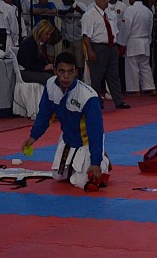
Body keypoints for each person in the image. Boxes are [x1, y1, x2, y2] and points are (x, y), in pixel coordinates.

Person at [21, 52, 110, 191]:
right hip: (68, 139)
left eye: (70, 72)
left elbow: (96, 131)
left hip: (87, 142)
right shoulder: (50, 85)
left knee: (81, 182)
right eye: (61, 71)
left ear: (76, 72)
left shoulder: (88, 97)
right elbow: (44, 114)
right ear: (55, 70)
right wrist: (33, 136)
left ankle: (104, 160)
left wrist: (96, 161)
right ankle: (85, 161)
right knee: (59, 176)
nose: (66, 76)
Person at [82, 0, 129, 110]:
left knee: (114, 75)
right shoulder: (89, 14)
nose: (106, 1)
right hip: (98, 47)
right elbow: (86, 36)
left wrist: (116, 46)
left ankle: (119, 101)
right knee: (97, 76)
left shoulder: (109, 13)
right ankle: (96, 101)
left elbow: (114, 30)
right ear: (97, 0)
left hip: (112, 46)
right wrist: (90, 51)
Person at [119, 0, 156, 95]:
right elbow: (150, 29)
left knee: (132, 67)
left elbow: (126, 27)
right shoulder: (147, 11)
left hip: (133, 41)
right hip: (144, 41)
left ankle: (135, 90)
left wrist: (122, 43)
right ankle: (150, 88)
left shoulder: (130, 10)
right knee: (145, 66)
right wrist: (148, 41)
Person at [58, 0, 87, 76]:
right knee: (68, 60)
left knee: (79, 61)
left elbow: (87, 15)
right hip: (67, 38)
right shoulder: (62, 7)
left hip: (79, 38)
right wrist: (69, 10)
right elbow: (60, 13)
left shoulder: (80, 5)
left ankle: (80, 77)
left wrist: (80, 11)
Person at [17, 20, 55, 84]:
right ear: (40, 31)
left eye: (49, 34)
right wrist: (44, 67)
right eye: (47, 34)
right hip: (25, 71)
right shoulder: (29, 43)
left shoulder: (38, 43)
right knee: (50, 78)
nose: (48, 37)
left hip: (31, 69)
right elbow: (26, 63)